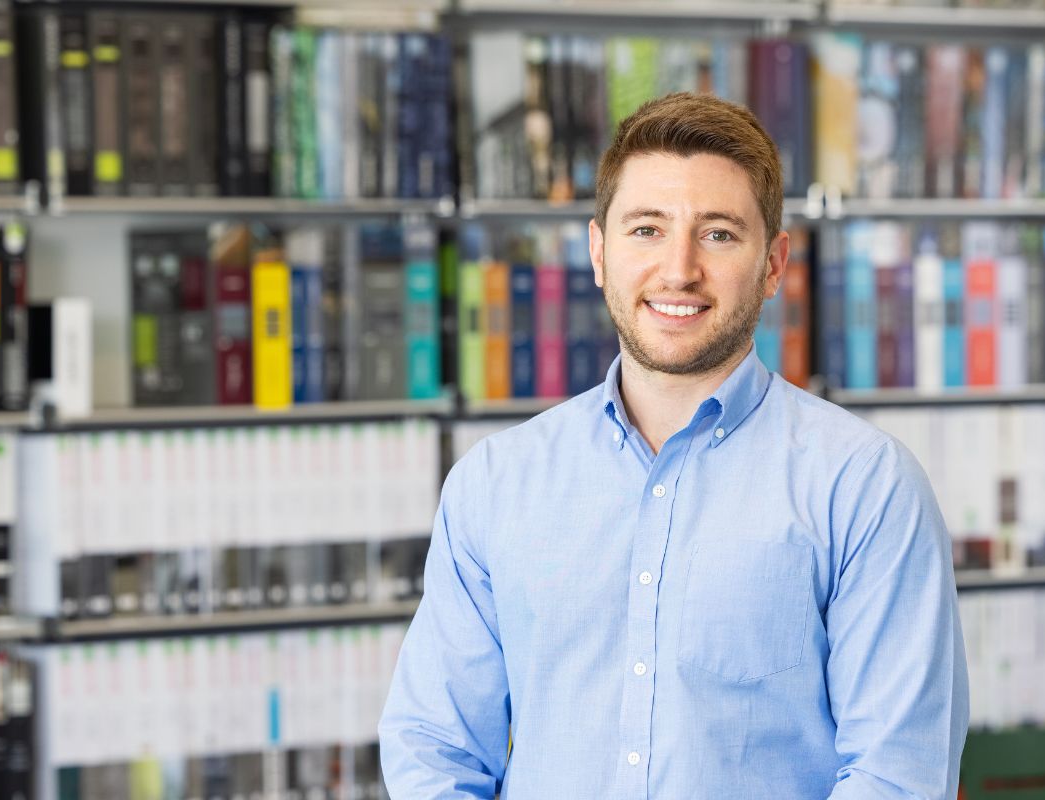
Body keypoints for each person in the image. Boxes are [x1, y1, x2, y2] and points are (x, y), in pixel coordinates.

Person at [379, 91, 969, 799]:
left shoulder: (866, 486)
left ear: (776, 264)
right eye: (647, 230)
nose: (679, 269)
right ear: (599, 252)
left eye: (718, 234)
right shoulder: (495, 484)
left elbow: (897, 775)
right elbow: (435, 751)